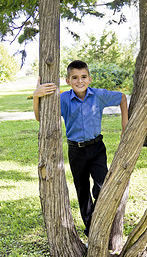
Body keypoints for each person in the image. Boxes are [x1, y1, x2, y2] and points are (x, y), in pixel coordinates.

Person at [33, 60, 128, 236]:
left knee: (101, 187)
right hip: (76, 151)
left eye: (83, 77)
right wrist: (36, 95)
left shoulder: (98, 95)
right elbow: (40, 117)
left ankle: (102, 221)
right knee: (82, 189)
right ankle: (91, 228)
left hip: (97, 148)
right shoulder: (62, 99)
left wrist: (125, 127)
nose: (79, 81)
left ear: (90, 79)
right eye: (74, 77)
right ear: (68, 81)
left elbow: (122, 98)